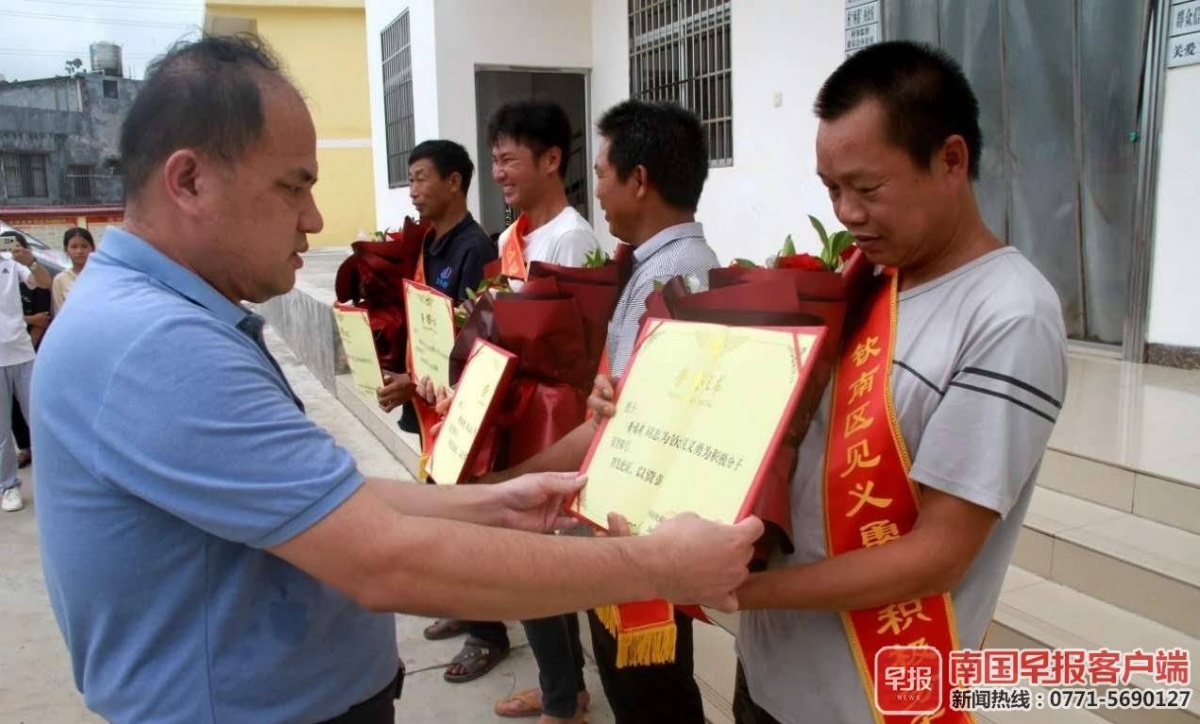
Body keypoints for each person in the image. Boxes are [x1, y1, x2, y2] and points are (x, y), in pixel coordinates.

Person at [30, 34, 762, 724]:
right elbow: (382, 558)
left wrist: (492, 505)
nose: (313, 218)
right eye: (294, 187)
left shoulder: (154, 320)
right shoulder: (157, 343)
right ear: (188, 180)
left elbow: (318, 501)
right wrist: (657, 565)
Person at [591, 42, 1068, 724]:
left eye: (867, 188)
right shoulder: (865, 281)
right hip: (773, 671)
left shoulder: (1009, 316)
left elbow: (936, 555)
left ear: (952, 161)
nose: (846, 212)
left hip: (868, 698)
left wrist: (731, 593)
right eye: (830, 189)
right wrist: (642, 409)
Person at [483, 98, 721, 724]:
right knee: (639, 687)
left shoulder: (676, 277)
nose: (601, 192)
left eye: (605, 175)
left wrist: (510, 482)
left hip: (641, 519)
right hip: (624, 512)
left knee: (652, 695)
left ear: (639, 180)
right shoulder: (656, 269)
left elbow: (632, 426)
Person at [427, 98, 604, 712]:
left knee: (542, 553)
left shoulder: (573, 238)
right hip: (509, 407)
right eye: (494, 161)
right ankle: (562, 682)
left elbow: (571, 345)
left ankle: (564, 693)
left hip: (552, 417)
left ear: (551, 160)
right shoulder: (509, 238)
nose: (499, 173)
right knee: (521, 550)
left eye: (509, 160)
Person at [376, 140, 497, 419]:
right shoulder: (424, 243)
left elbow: (472, 343)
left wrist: (415, 379)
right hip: (422, 399)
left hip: (451, 407)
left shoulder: (475, 249)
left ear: (453, 182)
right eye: (410, 181)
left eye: (421, 179)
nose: (413, 192)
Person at [0, 229, 51, 512]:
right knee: (1, 431)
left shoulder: (13, 264)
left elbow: (42, 283)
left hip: (22, 354)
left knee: (39, 420)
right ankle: (8, 486)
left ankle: (52, 480)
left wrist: (30, 260)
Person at [51, 226, 95, 315]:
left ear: (93, 248)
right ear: (66, 250)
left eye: (84, 246)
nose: (79, 251)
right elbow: (59, 313)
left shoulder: (103, 275)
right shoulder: (60, 279)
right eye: (74, 247)